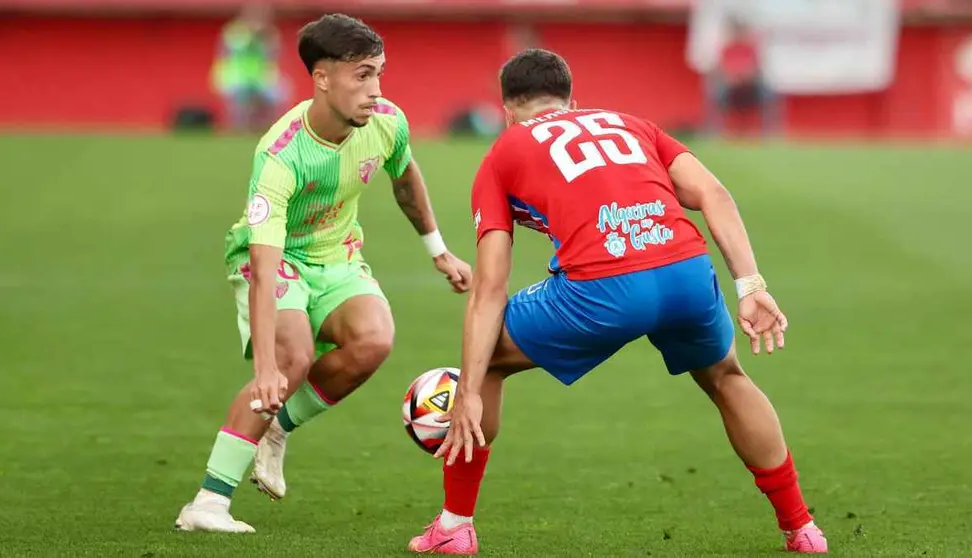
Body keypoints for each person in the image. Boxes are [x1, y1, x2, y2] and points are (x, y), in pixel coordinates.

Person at [408, 48, 827, 555]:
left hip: (603, 289)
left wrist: (469, 388)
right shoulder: (631, 124)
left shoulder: (503, 151)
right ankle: (801, 527)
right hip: (685, 272)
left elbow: (490, 287)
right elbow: (713, 193)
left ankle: (454, 526)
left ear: (507, 112)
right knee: (726, 377)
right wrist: (751, 285)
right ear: (573, 101)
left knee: (487, 358)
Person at [175, 13, 472, 533]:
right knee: (293, 358)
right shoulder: (280, 154)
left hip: (338, 256)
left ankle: (277, 427)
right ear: (322, 78)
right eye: (362, 75)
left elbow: (405, 180)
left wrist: (439, 251)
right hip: (274, 258)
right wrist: (267, 367)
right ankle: (207, 503)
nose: (375, 89)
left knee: (374, 340)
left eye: (378, 72)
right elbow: (265, 269)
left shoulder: (386, 122)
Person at [212, 2, 287, 132]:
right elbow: (237, 49)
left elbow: (273, 55)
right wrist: (254, 35)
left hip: (260, 78)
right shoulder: (235, 31)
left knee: (280, 93)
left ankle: (272, 131)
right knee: (241, 104)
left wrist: (266, 39)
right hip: (236, 77)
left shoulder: (270, 34)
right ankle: (237, 130)